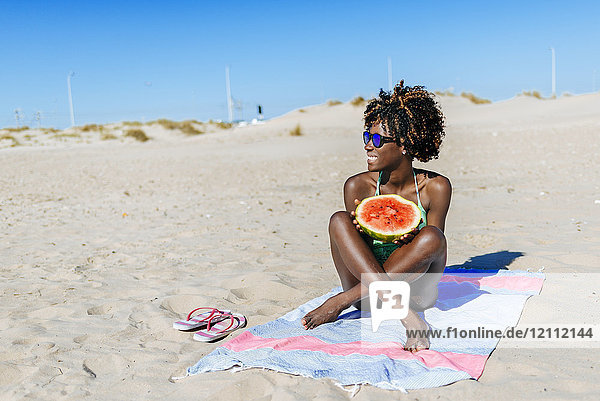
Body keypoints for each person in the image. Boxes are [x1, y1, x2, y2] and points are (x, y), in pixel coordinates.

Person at [301, 81, 451, 352]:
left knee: (432, 236)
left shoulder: (436, 187)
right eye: (366, 137)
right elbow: (356, 250)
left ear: (404, 144)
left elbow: (436, 252)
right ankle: (404, 315)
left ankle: (342, 300)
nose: (369, 146)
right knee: (339, 220)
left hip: (416, 292)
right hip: (367, 294)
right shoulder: (357, 186)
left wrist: (415, 236)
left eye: (378, 139)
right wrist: (362, 230)